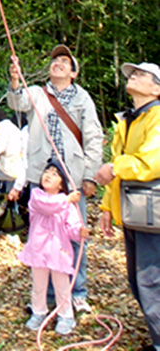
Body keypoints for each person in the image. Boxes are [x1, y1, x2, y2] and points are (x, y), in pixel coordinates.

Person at [8, 45, 103, 313]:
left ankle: (76, 292)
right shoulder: (38, 92)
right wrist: (16, 80)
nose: (58, 64)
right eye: (54, 60)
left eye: (65, 61)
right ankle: (46, 296)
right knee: (42, 236)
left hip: (72, 178)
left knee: (74, 235)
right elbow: (18, 102)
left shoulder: (83, 99)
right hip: (43, 177)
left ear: (73, 72)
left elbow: (94, 138)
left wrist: (89, 176)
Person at [95, 62, 160, 351]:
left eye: (141, 74)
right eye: (131, 73)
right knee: (139, 280)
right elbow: (120, 171)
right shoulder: (129, 120)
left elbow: (150, 161)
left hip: (153, 213)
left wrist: (113, 166)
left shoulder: (157, 117)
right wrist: (108, 207)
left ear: (157, 88)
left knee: (151, 281)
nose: (133, 76)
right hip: (137, 212)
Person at [19, 158, 89, 335]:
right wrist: (67, 199)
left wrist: (79, 232)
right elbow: (47, 207)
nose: (48, 175)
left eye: (55, 174)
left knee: (62, 286)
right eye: (47, 172)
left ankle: (66, 316)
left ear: (61, 185)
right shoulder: (37, 196)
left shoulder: (67, 204)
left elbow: (71, 227)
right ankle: (38, 312)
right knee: (39, 285)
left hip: (59, 252)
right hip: (38, 251)